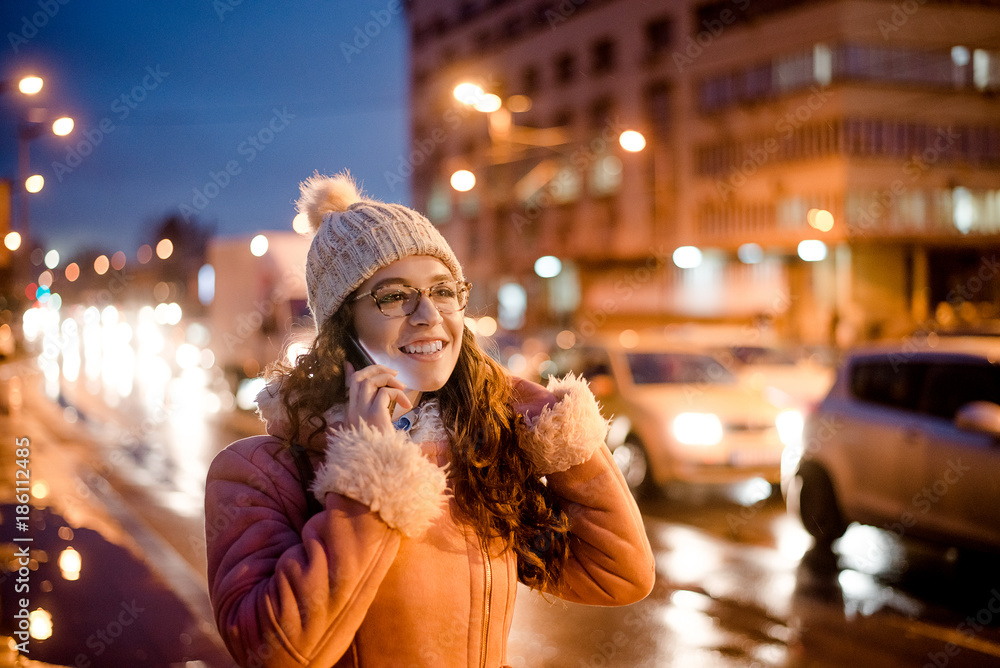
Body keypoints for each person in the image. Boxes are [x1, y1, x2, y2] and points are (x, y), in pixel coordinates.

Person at [204, 171, 655, 667]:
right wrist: (368, 478)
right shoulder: (259, 472)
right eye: (394, 296)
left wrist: (551, 425)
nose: (429, 314)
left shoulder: (478, 454)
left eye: (444, 290)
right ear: (341, 327)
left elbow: (620, 573)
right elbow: (280, 651)